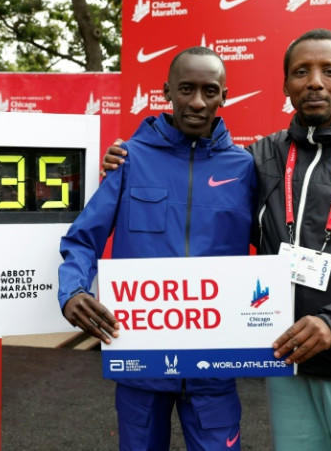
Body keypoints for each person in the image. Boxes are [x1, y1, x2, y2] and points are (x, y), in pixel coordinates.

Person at [103, 28, 331, 450]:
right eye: (302, 71)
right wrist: (134, 156)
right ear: (286, 85)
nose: (315, 81)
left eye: (329, 71)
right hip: (290, 364)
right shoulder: (264, 156)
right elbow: (195, 182)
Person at [59, 46, 256, 451]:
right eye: (186, 89)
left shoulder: (245, 167)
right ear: (166, 90)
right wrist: (72, 292)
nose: (198, 102)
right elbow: (82, 238)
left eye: (210, 90)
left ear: (225, 96)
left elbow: (279, 242)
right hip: (141, 361)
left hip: (213, 364)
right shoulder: (129, 160)